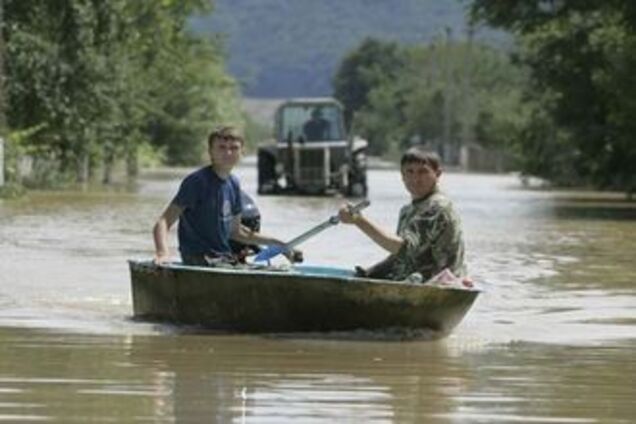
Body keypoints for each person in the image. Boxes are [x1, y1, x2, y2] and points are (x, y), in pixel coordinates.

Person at [153, 126, 294, 266]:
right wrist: (163, 253)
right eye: (221, 147)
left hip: (223, 257)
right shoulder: (196, 182)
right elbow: (163, 222)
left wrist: (279, 244)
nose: (228, 152)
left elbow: (237, 232)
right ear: (210, 152)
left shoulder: (234, 184)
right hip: (199, 258)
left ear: (242, 152)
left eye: (234, 148)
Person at [338, 147, 466, 282]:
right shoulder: (407, 210)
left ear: (437, 174)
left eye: (423, 172)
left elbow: (402, 248)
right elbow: (399, 256)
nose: (415, 179)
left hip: (441, 283)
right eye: (409, 172)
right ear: (402, 176)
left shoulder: (437, 207)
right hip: (415, 280)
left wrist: (359, 221)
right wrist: (369, 273)